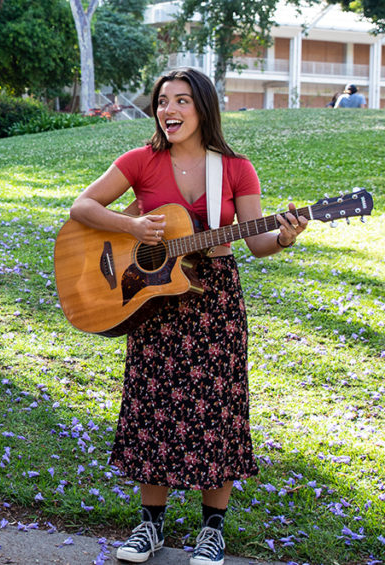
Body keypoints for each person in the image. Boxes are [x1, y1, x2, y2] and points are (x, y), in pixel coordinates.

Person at [69, 68, 306, 565]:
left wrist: (283, 236)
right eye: (161, 101)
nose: (168, 110)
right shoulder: (140, 161)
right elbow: (83, 206)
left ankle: (211, 531)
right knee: (153, 406)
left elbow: (256, 241)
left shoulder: (236, 168)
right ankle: (150, 526)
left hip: (215, 298)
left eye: (180, 101)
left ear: (203, 108)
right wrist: (131, 224)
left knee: (217, 410)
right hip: (154, 302)